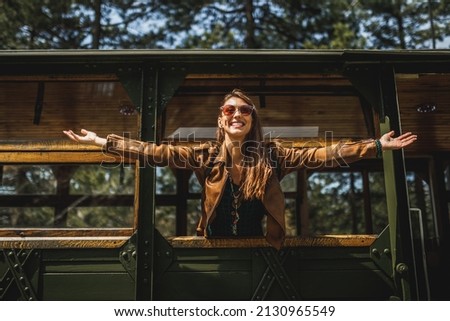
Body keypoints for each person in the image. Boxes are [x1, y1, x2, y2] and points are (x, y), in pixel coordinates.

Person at [63, 88, 417, 249]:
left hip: (257, 247)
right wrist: (100, 141)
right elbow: (153, 151)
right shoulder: (204, 154)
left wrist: (374, 145)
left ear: (252, 119)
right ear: (221, 118)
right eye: (230, 109)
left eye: (245, 110)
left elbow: (322, 154)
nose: (237, 114)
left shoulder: (272, 156)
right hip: (213, 247)